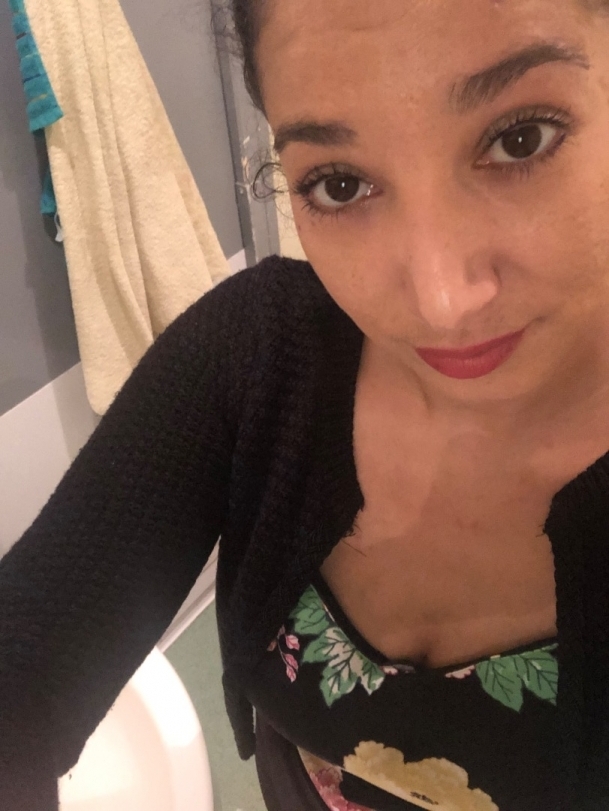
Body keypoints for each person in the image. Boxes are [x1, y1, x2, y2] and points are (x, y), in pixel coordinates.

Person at [3, 0, 609, 808]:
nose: (440, 300)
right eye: (339, 184)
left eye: (520, 138)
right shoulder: (257, 354)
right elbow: (25, 668)